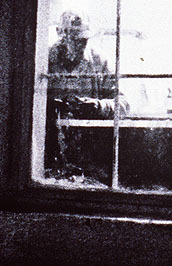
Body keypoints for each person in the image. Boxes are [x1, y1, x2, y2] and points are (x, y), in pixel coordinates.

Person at [45, 11, 128, 182]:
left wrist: (98, 106)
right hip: (50, 152)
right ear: (60, 33)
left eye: (84, 40)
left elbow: (123, 104)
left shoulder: (100, 62)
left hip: (90, 156)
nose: (80, 45)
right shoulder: (43, 61)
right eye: (74, 39)